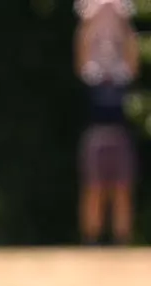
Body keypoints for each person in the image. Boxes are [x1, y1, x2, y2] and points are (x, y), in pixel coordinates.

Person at [75, 0, 139, 245]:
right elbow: (82, 48)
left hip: (119, 134)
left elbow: (132, 52)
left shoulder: (123, 73)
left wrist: (123, 21)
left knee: (122, 189)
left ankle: (122, 239)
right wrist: (89, 21)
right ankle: (91, 239)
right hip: (96, 135)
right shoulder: (92, 73)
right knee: (94, 189)